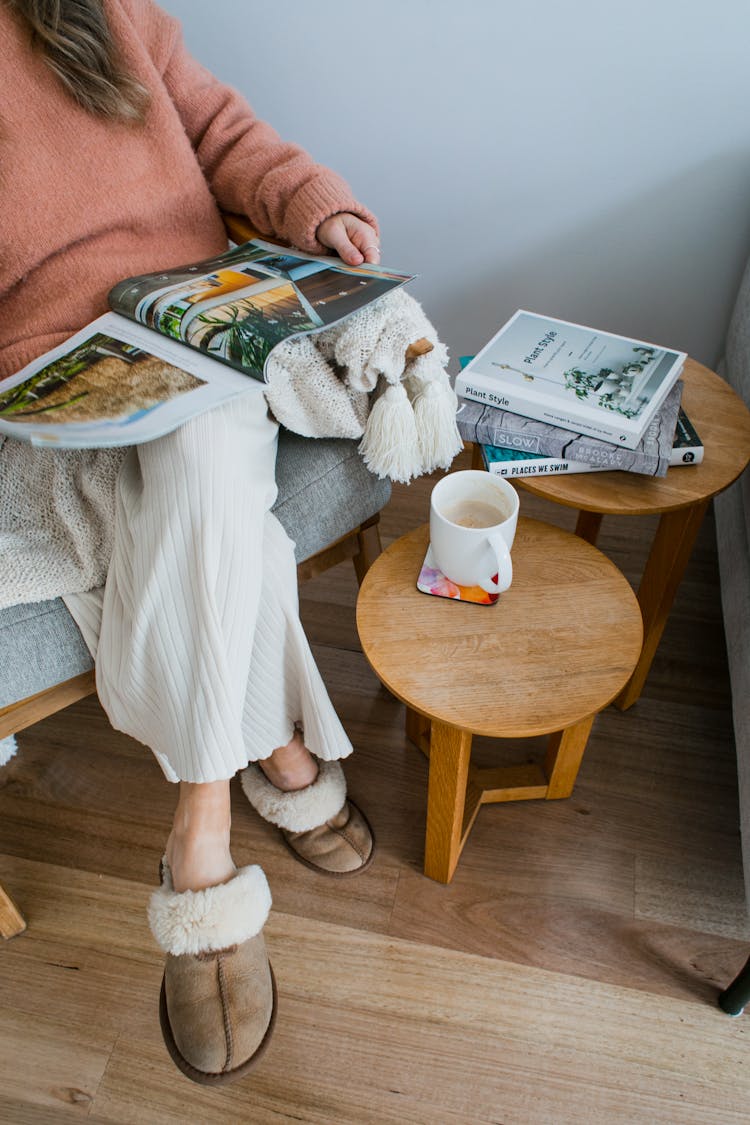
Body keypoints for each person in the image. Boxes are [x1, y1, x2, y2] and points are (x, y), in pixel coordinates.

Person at [1, 0, 382, 1084]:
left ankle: (201, 834)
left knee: (208, 454)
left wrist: (315, 207)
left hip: (197, 319)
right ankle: (281, 759)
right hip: (52, 378)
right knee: (225, 523)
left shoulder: (100, 8)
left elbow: (222, 131)